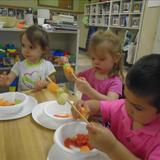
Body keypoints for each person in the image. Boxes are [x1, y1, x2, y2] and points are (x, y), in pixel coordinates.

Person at [72, 54, 160, 159]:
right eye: (126, 97)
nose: (127, 107)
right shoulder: (122, 106)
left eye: (138, 108)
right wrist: (85, 106)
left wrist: (112, 147)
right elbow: (98, 106)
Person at [65, 30, 123, 100]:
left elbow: (111, 102)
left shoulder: (115, 82)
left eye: (101, 59)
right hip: (85, 110)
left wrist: (89, 91)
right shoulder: (90, 72)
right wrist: (66, 66)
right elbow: (73, 78)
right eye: (93, 58)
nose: (96, 62)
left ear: (116, 58)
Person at [0, 25, 56, 91]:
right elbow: (8, 81)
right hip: (24, 100)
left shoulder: (47, 65)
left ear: (43, 49)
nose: (26, 50)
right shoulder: (18, 65)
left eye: (31, 47)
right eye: (23, 45)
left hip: (40, 99)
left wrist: (45, 83)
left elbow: (53, 83)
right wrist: (4, 81)